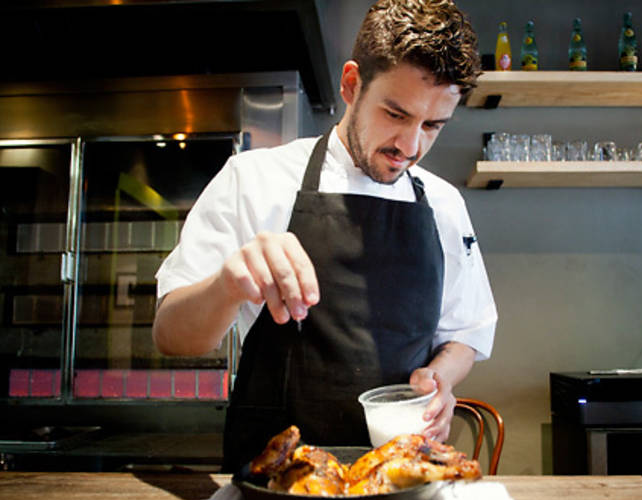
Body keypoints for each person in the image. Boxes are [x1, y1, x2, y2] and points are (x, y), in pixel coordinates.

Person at [153, 0, 497, 473]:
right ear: (352, 84)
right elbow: (172, 336)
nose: (411, 147)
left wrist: (439, 379)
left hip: (398, 473)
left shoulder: (444, 205)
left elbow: (465, 334)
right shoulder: (254, 179)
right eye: (396, 114)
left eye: (433, 125)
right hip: (276, 476)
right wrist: (228, 284)